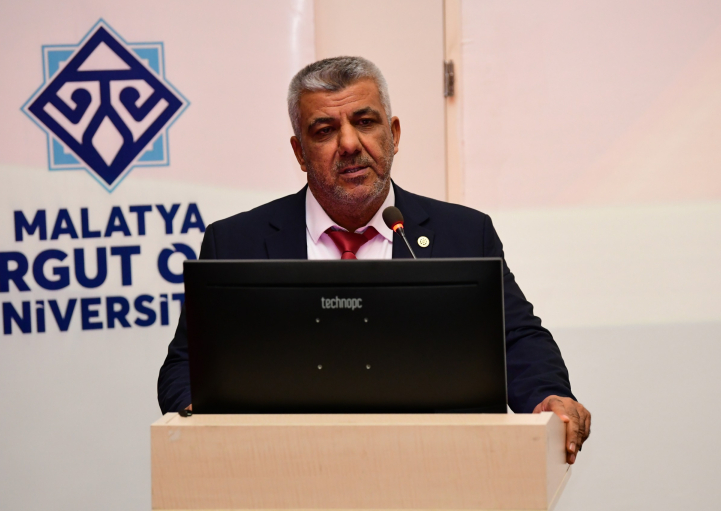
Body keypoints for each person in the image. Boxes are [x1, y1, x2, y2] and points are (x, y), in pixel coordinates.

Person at [158, 56, 591, 464]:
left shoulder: (463, 234)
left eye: (365, 122)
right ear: (300, 152)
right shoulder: (236, 242)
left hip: (433, 467)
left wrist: (548, 395)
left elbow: (514, 338)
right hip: (287, 470)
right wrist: (200, 414)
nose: (349, 144)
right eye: (324, 130)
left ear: (394, 134)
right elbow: (187, 365)